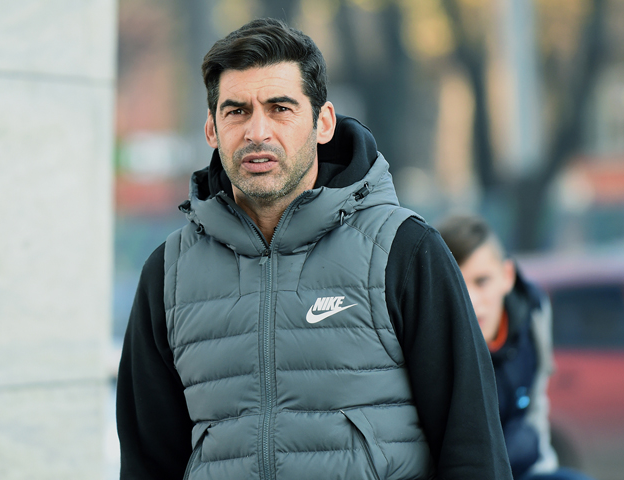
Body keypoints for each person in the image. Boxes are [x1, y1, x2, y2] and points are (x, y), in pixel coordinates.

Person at [117, 18, 512, 480]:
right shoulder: (169, 273)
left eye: (280, 108)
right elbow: (146, 464)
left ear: (322, 123)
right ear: (211, 129)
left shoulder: (404, 250)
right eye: (236, 111)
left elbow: (473, 448)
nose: (257, 131)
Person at [437, 214, 595, 480]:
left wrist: (544, 466)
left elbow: (536, 402)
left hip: (525, 469)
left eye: (482, 281)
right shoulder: (432, 344)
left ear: (507, 275)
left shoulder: (534, 311)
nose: (471, 300)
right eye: (458, 285)